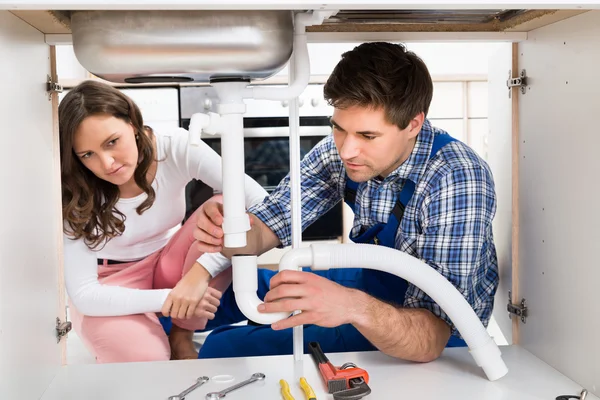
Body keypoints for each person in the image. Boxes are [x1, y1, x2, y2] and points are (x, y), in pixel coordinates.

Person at [193, 42, 500, 362]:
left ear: (413, 124)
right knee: (225, 286)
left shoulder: (455, 180)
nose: (346, 150)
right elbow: (271, 223)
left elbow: (431, 338)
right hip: (371, 281)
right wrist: (230, 231)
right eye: (339, 129)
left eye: (368, 136)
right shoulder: (341, 152)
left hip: (430, 335)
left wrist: (350, 306)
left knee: (224, 347)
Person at [59, 80, 267, 363]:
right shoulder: (71, 188)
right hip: (109, 283)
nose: (107, 163)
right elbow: (85, 294)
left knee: (225, 207)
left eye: (112, 142)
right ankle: (142, 334)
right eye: (88, 155)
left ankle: (181, 335)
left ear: (132, 124)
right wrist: (170, 297)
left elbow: (261, 201)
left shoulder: (174, 146)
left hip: (168, 262)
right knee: (151, 360)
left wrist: (200, 273)